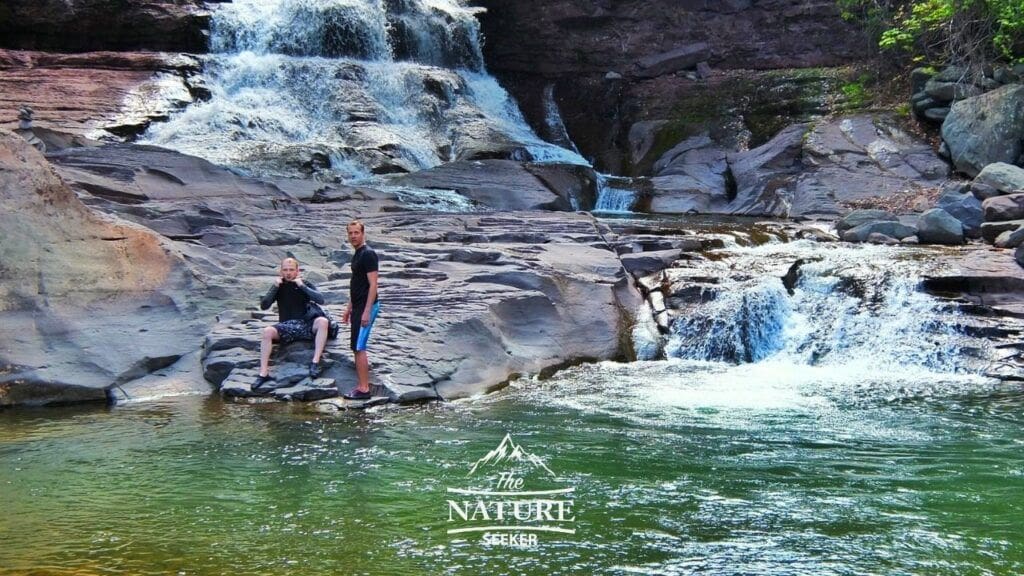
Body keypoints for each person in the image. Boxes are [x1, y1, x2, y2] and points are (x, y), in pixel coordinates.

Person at [254, 257, 330, 390]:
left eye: (291, 270)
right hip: (287, 327)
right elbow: (264, 305)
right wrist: (275, 287)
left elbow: (321, 299)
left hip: (305, 324)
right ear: (280, 272)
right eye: (285, 270)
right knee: (267, 332)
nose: (288, 273)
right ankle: (263, 372)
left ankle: (315, 362)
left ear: (297, 271)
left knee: (323, 322)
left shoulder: (304, 283)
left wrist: (302, 286)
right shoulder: (279, 286)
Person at [341, 220, 380, 400]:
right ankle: (361, 385)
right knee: (355, 346)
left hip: (367, 306)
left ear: (363, 233)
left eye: (356, 232)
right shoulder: (357, 254)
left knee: (359, 346)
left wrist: (366, 311)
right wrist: (349, 308)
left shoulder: (368, 254)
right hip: (357, 306)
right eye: (350, 233)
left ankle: (364, 389)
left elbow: (373, 285)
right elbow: (355, 283)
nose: (353, 236)